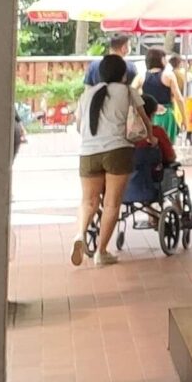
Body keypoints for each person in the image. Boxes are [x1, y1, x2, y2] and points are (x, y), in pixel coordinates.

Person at [72, 54, 137, 266]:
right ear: (123, 74)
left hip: (88, 153)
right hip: (117, 151)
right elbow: (138, 121)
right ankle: (101, 252)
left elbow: (78, 126)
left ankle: (80, 234)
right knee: (111, 204)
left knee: (88, 201)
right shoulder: (126, 91)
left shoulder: (87, 94)